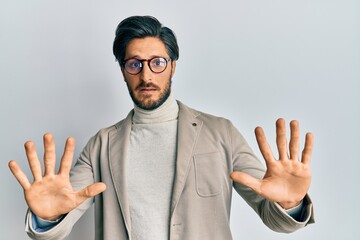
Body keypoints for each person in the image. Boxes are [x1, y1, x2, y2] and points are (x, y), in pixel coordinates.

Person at [8, 15, 314, 240]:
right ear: (123, 71)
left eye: (157, 62)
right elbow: (63, 209)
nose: (146, 75)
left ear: (173, 66)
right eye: (134, 64)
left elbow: (276, 218)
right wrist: (47, 218)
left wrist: (292, 204)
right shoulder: (101, 145)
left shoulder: (221, 133)